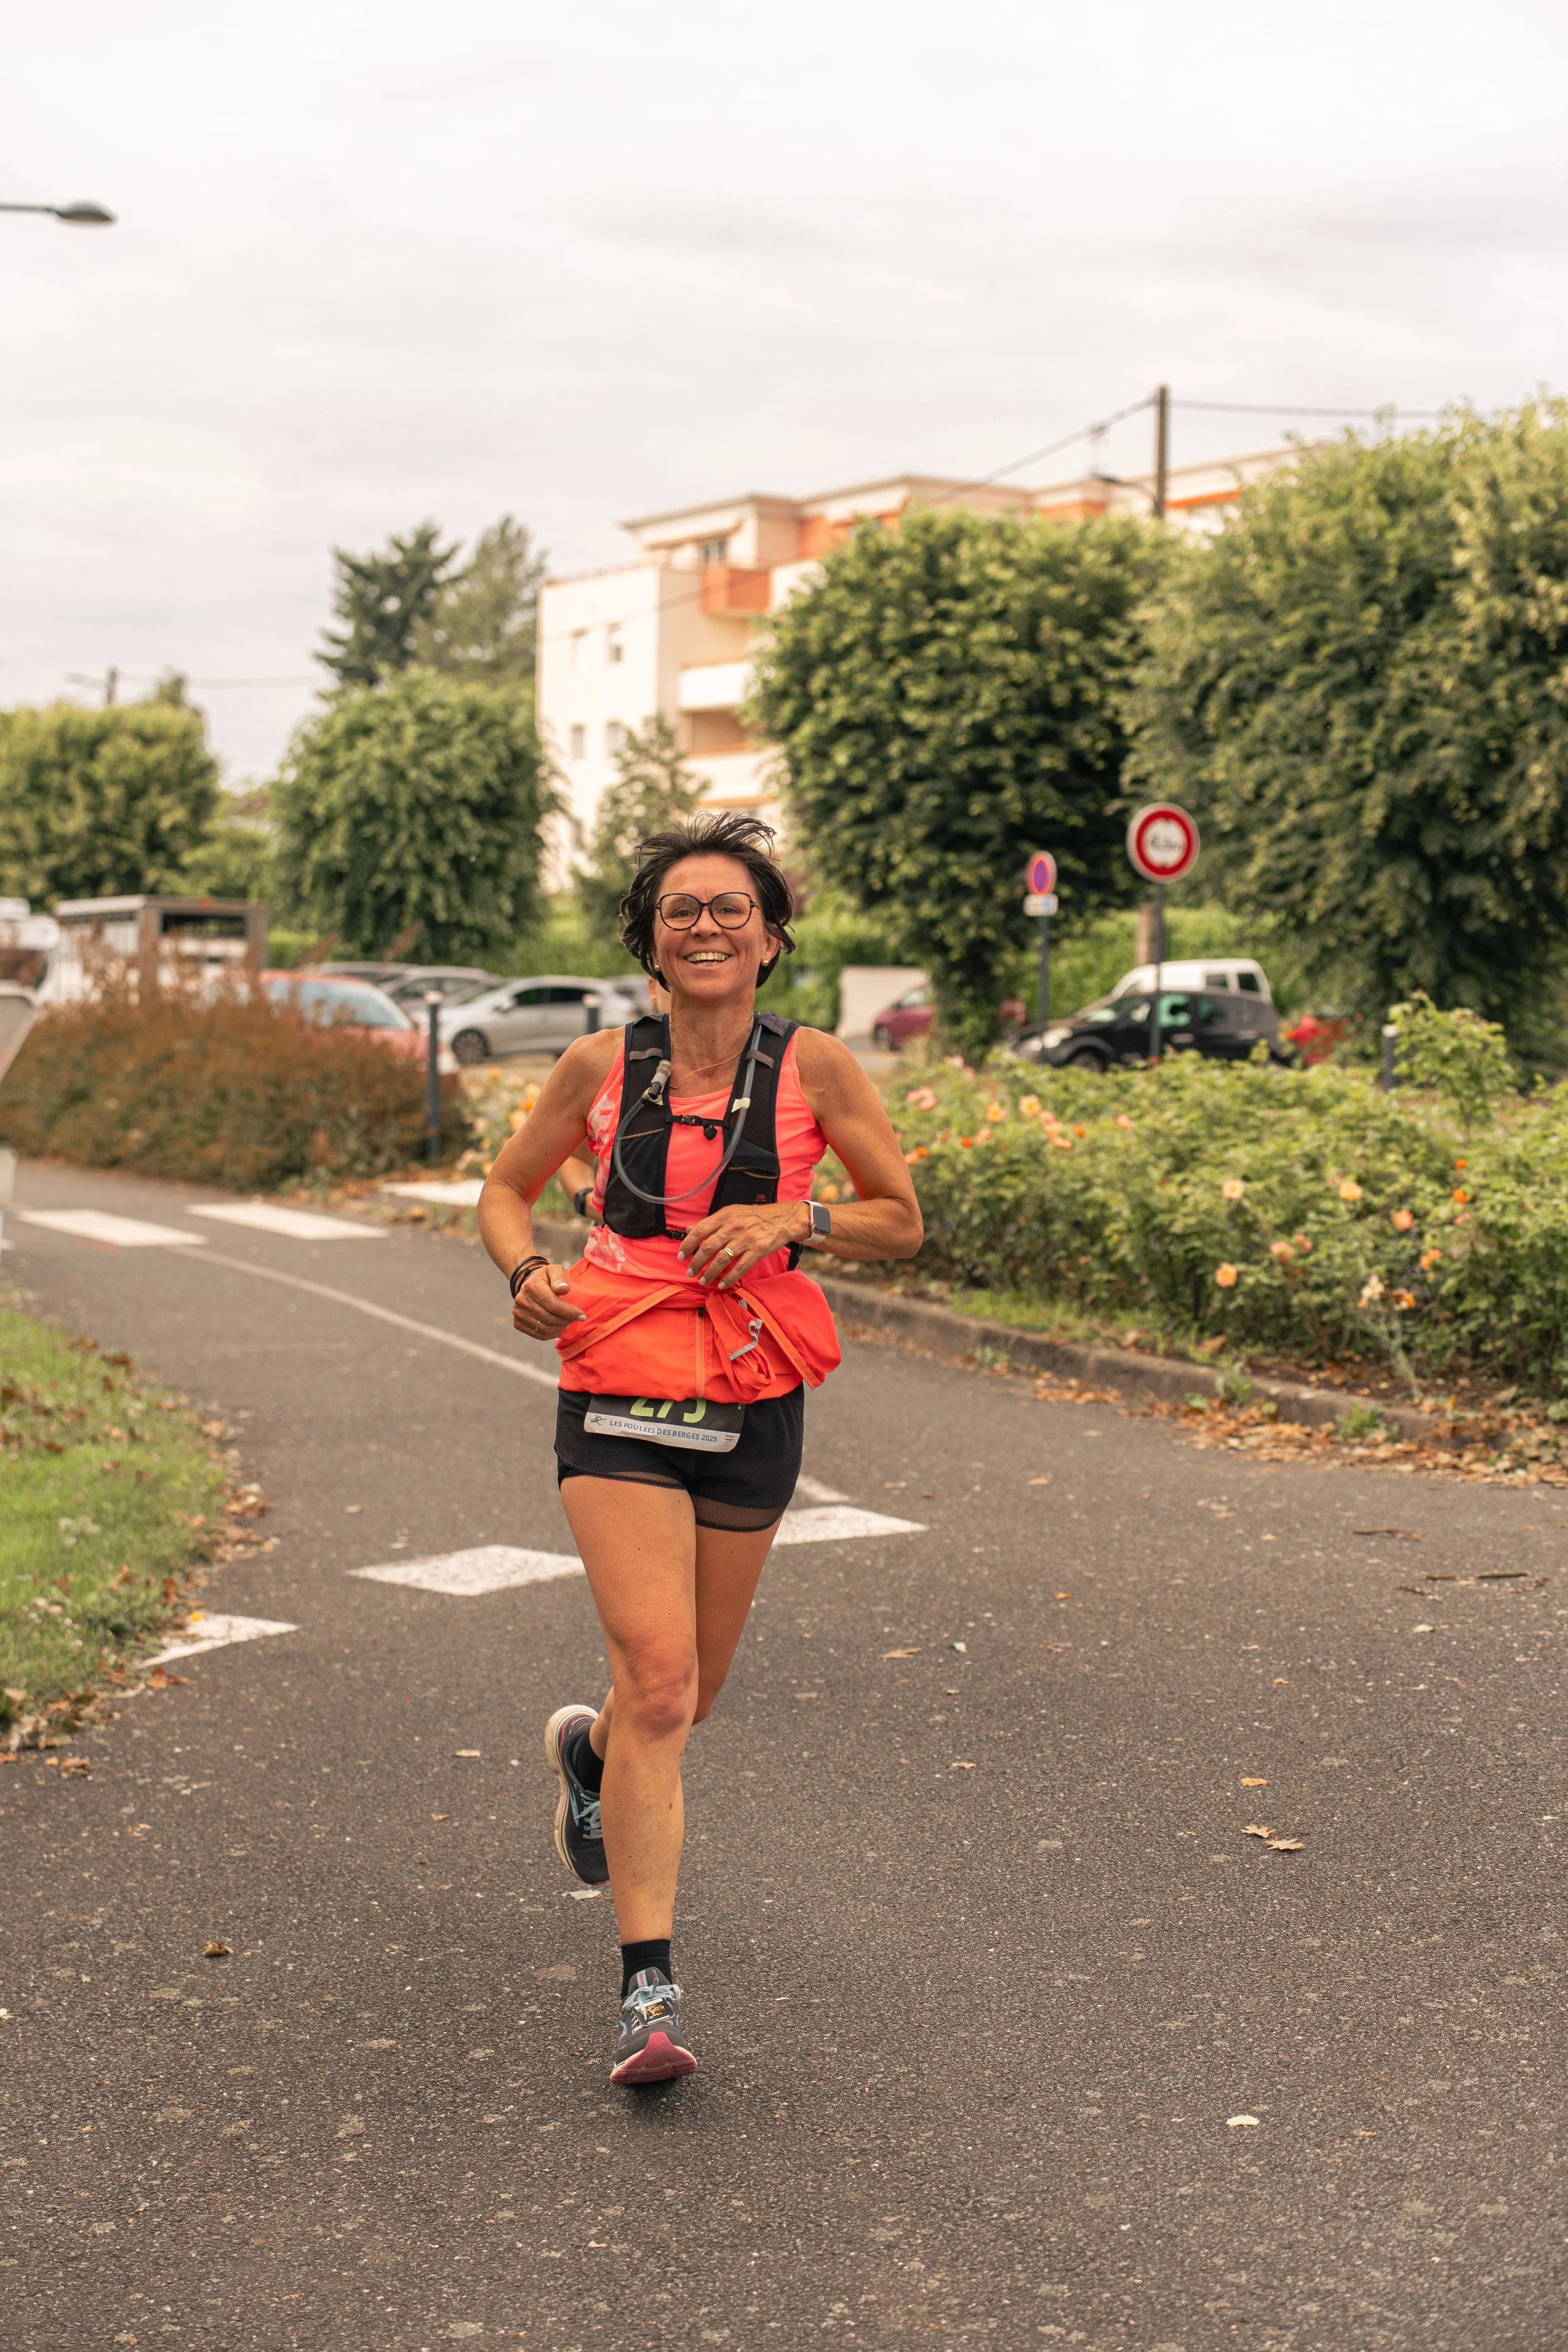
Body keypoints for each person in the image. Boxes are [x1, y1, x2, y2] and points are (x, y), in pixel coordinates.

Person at [478, 813, 922, 2085]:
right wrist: (522, 1268)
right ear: (649, 941)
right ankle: (646, 1995)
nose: (708, 925)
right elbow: (505, 1189)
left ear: (771, 937)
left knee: (687, 1696)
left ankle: (589, 1756)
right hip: (615, 1381)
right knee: (661, 1682)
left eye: (732, 907)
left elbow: (899, 1222)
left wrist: (797, 1214)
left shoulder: (818, 1070)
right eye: (683, 909)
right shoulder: (593, 1066)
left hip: (750, 1388)